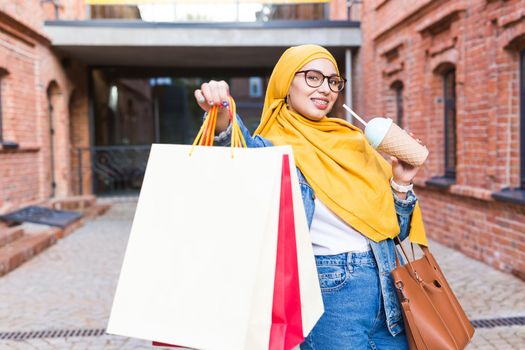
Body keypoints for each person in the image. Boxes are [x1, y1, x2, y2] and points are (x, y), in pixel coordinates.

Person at [194, 44, 428, 350]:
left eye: (333, 81)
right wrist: (221, 112)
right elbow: (233, 151)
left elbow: (395, 229)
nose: (326, 89)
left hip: (389, 291)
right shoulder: (271, 148)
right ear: (286, 82)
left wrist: (401, 183)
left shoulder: (355, 142)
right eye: (313, 77)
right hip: (330, 297)